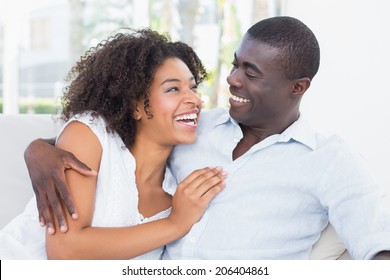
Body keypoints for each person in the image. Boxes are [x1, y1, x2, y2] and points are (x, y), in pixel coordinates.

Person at [22, 16, 390, 259]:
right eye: (234, 64)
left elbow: (378, 244)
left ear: (297, 87)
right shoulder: (195, 129)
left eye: (251, 71)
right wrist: (38, 149)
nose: (232, 79)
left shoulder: (328, 159)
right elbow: (116, 139)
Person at [0, 29, 227, 259]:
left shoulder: (177, 191)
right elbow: (64, 251)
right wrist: (175, 224)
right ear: (135, 105)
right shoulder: (91, 135)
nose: (194, 100)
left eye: (193, 87)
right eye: (173, 89)